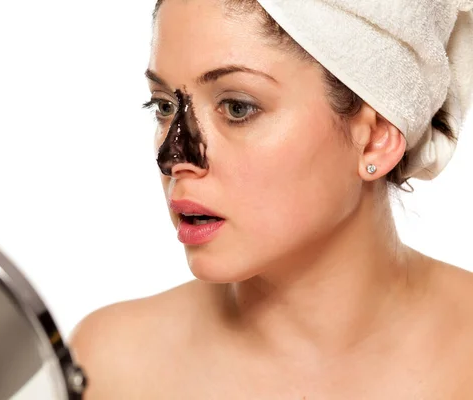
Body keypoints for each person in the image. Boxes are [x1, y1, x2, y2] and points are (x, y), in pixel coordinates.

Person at [70, 0, 473, 398]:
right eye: (165, 106)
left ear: (375, 138)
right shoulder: (109, 369)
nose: (175, 157)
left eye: (237, 107)